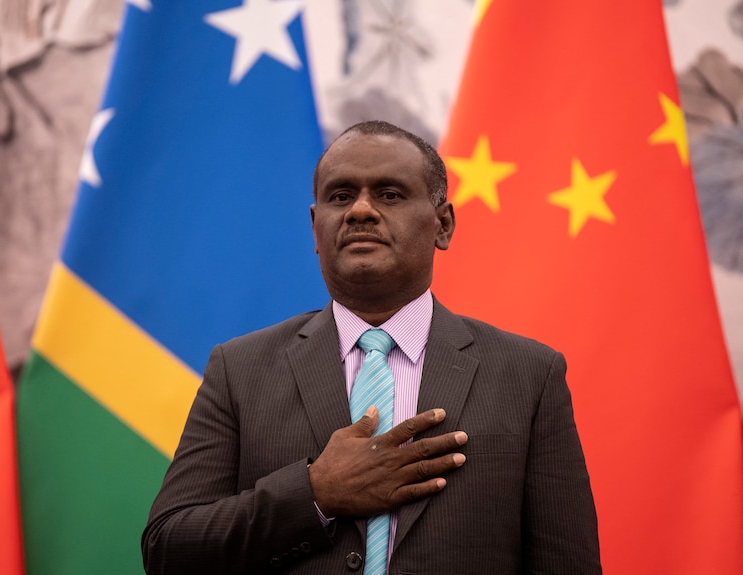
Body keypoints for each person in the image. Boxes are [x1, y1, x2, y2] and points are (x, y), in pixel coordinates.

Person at [141, 120, 601, 574]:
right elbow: (168, 549)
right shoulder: (239, 370)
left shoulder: (529, 376)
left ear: (442, 224)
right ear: (316, 226)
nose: (360, 210)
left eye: (389, 194)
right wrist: (316, 493)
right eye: (340, 196)